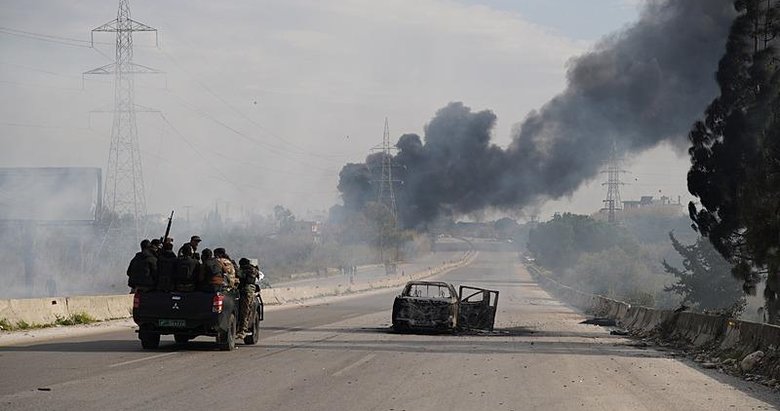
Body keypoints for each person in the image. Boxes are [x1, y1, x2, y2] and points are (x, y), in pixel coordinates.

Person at [237, 258, 261, 338]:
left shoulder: (245, 270)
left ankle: (243, 330)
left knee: (245, 311)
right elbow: (259, 276)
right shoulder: (254, 269)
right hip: (251, 291)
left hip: (246, 291)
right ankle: (243, 329)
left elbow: (238, 275)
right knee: (247, 310)